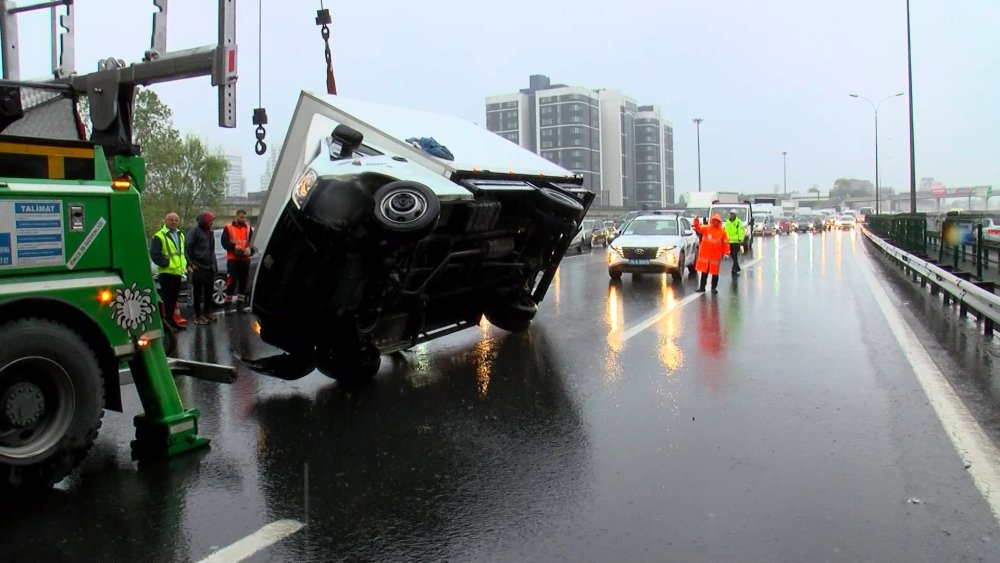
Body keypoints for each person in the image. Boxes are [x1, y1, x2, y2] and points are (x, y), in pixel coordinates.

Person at [150, 212, 189, 330]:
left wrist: (187, 265)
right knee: (167, 300)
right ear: (166, 221)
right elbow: (155, 254)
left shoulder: (180, 235)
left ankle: (171, 321)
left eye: (176, 220)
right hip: (166, 273)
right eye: (171, 220)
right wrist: (166, 263)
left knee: (173, 300)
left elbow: (182, 252)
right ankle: (167, 325)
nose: (174, 222)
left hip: (177, 272)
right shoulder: (159, 236)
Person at [185, 211, 218, 325]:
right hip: (198, 267)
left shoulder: (210, 232)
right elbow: (187, 248)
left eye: (212, 221)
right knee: (198, 293)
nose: (211, 223)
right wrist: (190, 263)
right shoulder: (194, 231)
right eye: (210, 221)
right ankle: (198, 315)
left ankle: (207, 312)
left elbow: (211, 250)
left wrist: (214, 265)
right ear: (204, 221)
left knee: (209, 291)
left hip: (209, 267)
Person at [221, 209, 254, 312]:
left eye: (244, 217)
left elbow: (253, 243)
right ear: (236, 217)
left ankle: (240, 305)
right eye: (240, 217)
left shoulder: (248, 229)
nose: (242, 219)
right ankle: (227, 306)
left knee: (243, 283)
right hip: (233, 259)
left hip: (245, 259)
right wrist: (234, 247)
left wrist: (250, 251)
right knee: (232, 282)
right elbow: (224, 242)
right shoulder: (228, 228)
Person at [692, 213, 730, 293]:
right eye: (714, 221)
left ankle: (713, 288)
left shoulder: (722, 232)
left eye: (716, 221)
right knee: (704, 272)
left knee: (715, 273)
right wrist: (696, 220)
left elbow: (725, 243)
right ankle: (702, 287)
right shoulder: (706, 229)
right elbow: (698, 228)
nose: (715, 222)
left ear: (719, 222)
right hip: (705, 255)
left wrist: (726, 252)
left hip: (715, 256)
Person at [724, 209, 744, 275]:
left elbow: (740, 231)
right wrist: (725, 240)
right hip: (729, 242)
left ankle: (734, 269)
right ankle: (736, 267)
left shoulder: (738, 222)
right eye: (730, 214)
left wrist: (741, 240)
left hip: (736, 242)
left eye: (732, 214)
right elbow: (726, 231)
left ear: (735, 215)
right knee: (733, 256)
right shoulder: (727, 222)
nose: (731, 215)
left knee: (734, 255)